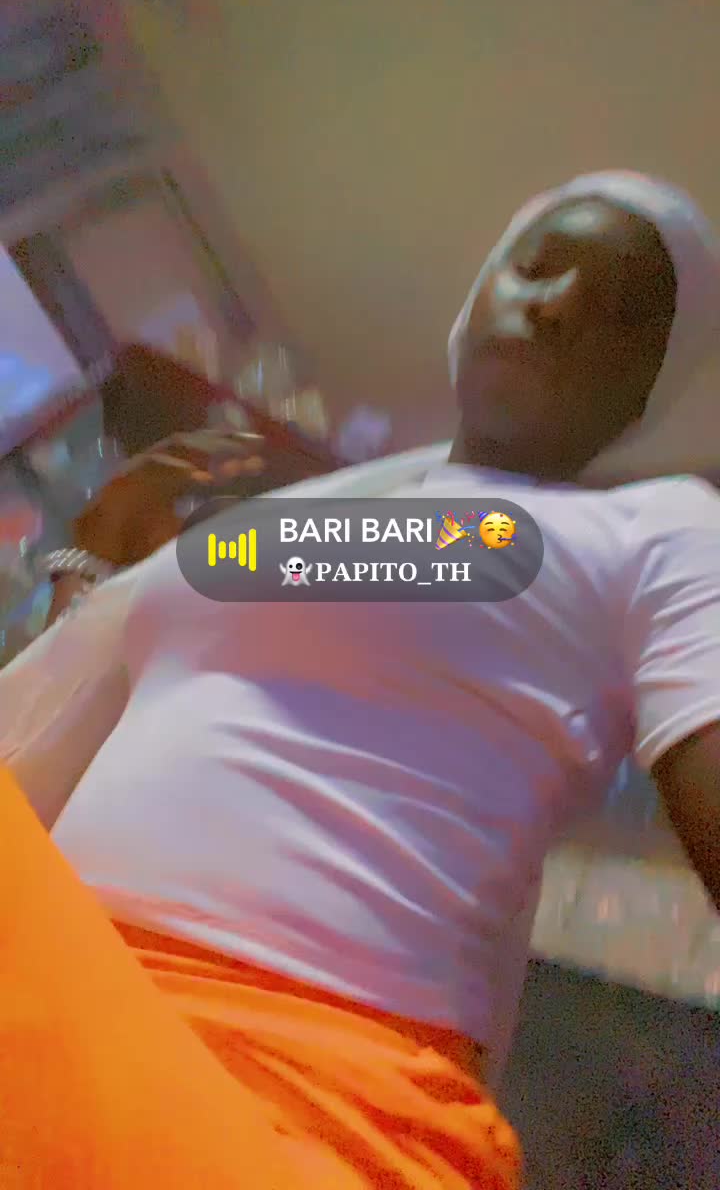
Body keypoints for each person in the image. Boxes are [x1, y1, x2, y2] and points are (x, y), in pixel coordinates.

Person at [2, 170, 720, 1189]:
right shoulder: (329, 524)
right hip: (55, 966)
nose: (557, 304)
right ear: (479, 296)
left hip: (295, 1078)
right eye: (537, 265)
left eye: (618, 312)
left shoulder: (652, 530)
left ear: (647, 388)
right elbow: (133, 658)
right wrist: (107, 549)